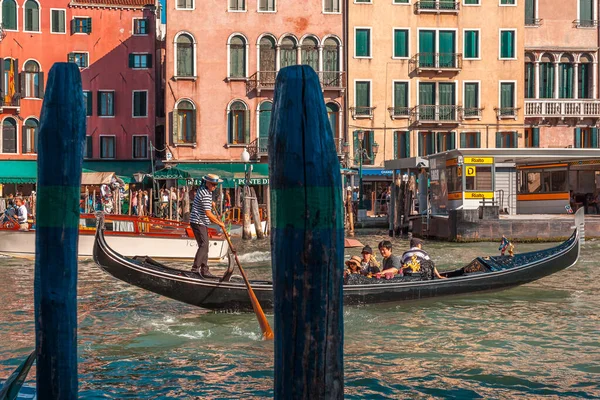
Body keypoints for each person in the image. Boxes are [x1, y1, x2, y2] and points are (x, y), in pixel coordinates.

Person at [190, 174, 226, 278]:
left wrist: (211, 203)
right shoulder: (205, 193)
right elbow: (208, 214)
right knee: (204, 245)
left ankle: (204, 269)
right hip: (198, 221)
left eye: (216, 185)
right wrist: (219, 223)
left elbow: (205, 204)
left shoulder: (204, 190)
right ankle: (195, 269)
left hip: (200, 222)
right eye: (213, 184)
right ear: (207, 183)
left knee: (204, 245)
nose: (215, 187)